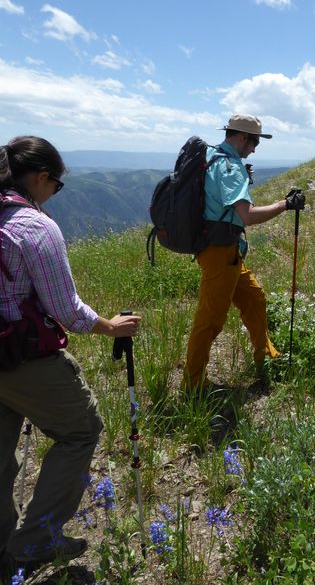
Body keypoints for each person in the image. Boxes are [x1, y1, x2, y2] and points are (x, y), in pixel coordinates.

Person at [0, 136, 141, 575]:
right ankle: (35, 541)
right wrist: (110, 326)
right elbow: (66, 310)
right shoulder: (34, 228)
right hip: (20, 357)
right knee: (81, 430)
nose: (54, 195)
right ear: (40, 177)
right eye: (56, 186)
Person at [183, 114, 305, 392]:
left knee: (254, 298)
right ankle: (192, 386)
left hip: (225, 251)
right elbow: (247, 216)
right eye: (254, 141)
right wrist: (284, 205)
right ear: (240, 137)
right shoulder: (229, 167)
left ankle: (266, 356)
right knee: (210, 321)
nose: (255, 147)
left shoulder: (213, 156)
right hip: (221, 254)